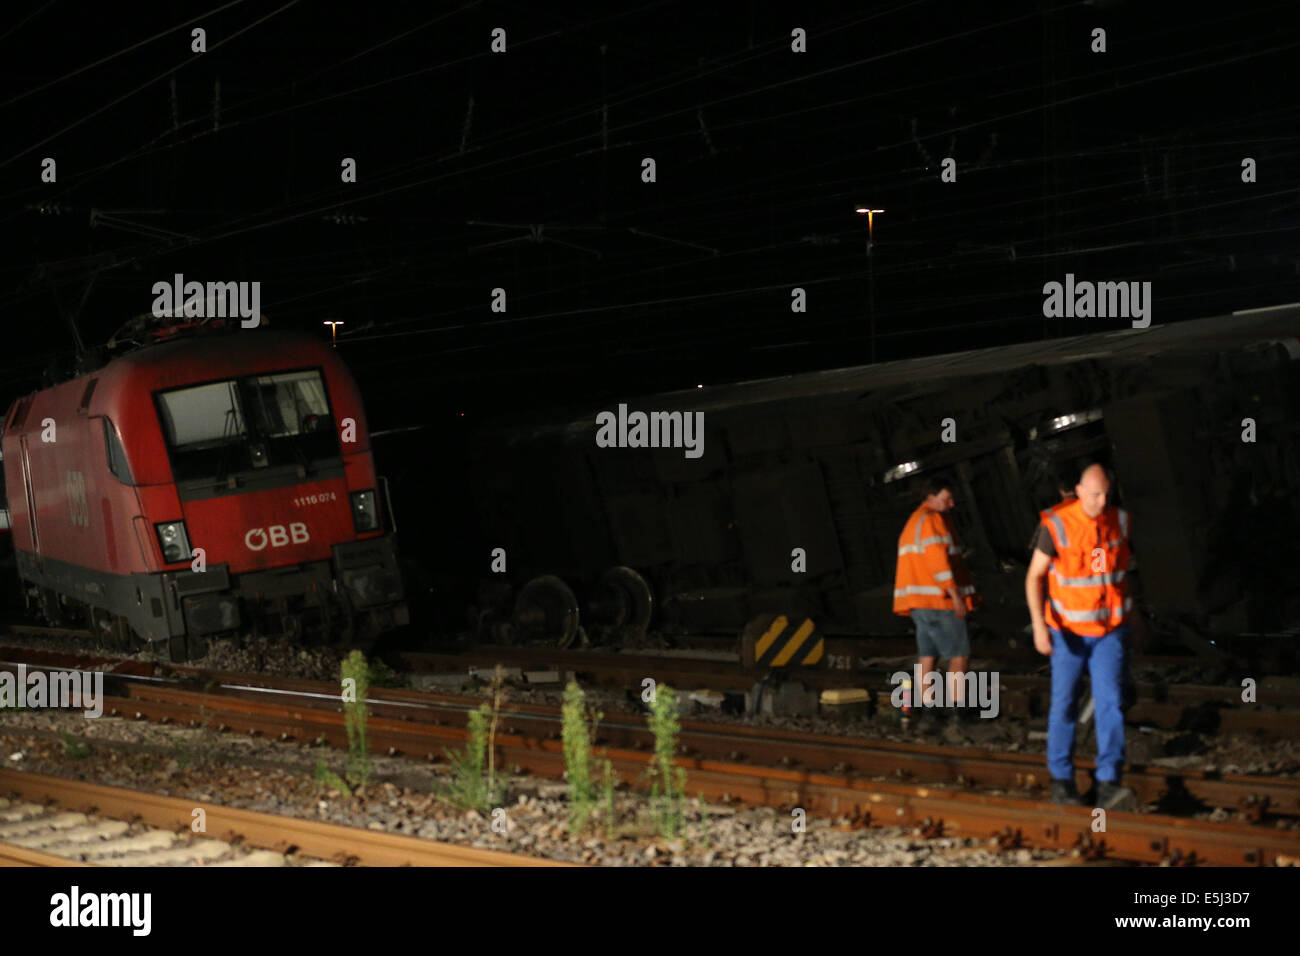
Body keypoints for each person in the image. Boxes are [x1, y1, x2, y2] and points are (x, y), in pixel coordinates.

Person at [1025, 463, 1136, 808]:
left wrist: (1132, 620)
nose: (1100, 502)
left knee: (1111, 705)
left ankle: (1108, 783)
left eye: (1105, 494)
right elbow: (1034, 578)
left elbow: (1109, 573)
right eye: (1093, 495)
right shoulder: (1057, 525)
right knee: (1065, 705)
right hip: (1068, 633)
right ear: (1078, 490)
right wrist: (1040, 628)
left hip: (1107, 632)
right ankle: (1062, 781)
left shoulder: (1118, 521)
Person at [893, 475, 980, 723]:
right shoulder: (932, 521)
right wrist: (956, 596)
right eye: (947, 498)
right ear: (931, 497)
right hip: (940, 601)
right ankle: (958, 708)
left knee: (927, 655)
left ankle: (929, 707)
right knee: (959, 654)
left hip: (919, 603)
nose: (951, 504)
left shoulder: (913, 522)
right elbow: (938, 564)